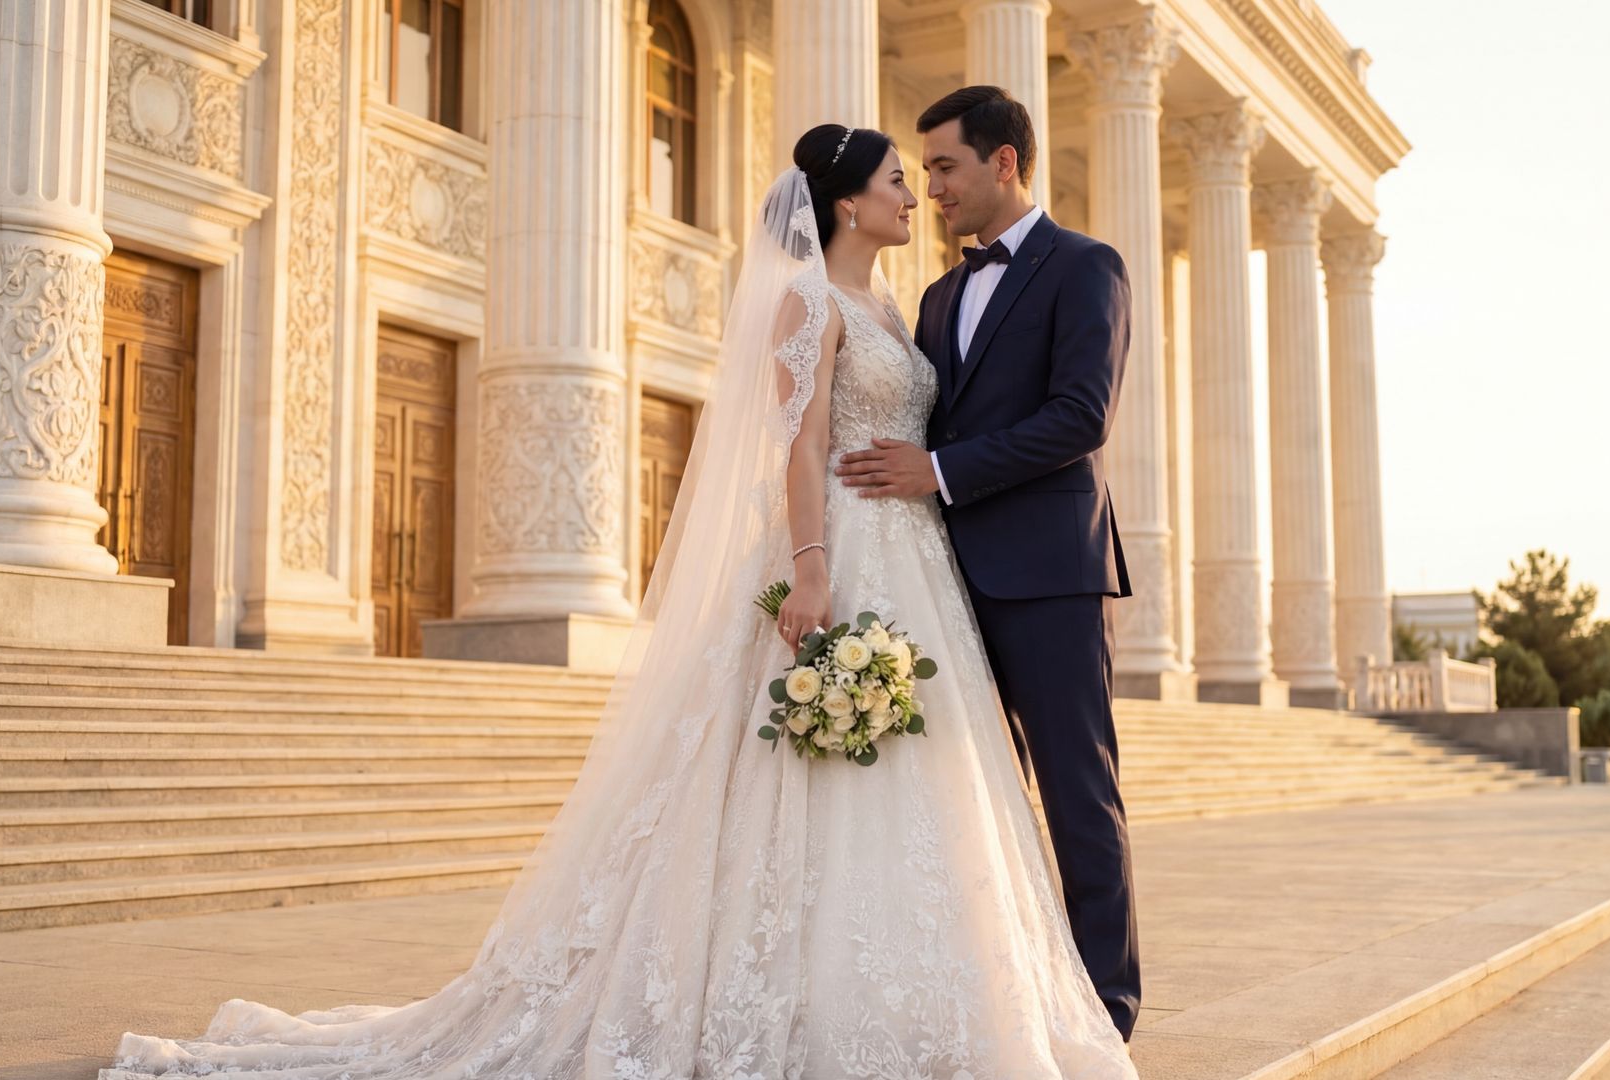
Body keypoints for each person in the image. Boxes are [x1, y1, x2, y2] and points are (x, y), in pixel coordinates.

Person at [100, 118, 1136, 1079]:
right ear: (848, 204)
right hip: (844, 551)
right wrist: (812, 563)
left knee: (919, 782)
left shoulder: (899, 308)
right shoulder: (808, 302)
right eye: (899, 182)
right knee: (808, 773)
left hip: (917, 561)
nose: (917, 195)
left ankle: (908, 991)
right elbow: (797, 445)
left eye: (927, 176)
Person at [834, 84, 1142, 1041]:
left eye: (945, 166)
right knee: (979, 807)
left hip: (1050, 572)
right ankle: (1019, 991)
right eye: (922, 170)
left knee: (1076, 791)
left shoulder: (1088, 266)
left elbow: (1080, 416)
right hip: (945, 583)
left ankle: (1106, 1009)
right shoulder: (936, 293)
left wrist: (940, 471)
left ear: (1004, 162)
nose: (932, 188)